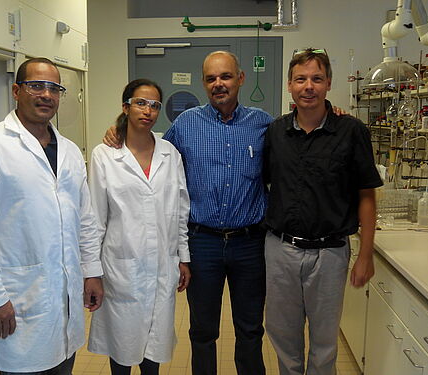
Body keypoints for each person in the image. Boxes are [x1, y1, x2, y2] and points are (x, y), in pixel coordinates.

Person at [105, 51, 272, 375]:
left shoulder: (263, 124)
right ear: (204, 83)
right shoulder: (186, 124)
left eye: (225, 76)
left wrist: (331, 113)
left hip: (249, 243)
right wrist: (119, 130)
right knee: (203, 331)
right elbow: (151, 155)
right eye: (211, 78)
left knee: (250, 329)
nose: (218, 84)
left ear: (240, 79)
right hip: (203, 243)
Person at [0, 57, 104, 375]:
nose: (46, 95)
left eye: (54, 88)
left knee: (64, 364)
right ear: (16, 90)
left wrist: (91, 271)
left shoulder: (70, 151)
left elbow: (85, 219)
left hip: (63, 301)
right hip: (17, 300)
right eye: (36, 85)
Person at [263, 48, 383, 375]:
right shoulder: (275, 133)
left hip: (330, 254)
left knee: (325, 342)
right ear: (289, 85)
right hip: (281, 251)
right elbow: (263, 183)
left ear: (328, 83)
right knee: (283, 335)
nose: (308, 86)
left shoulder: (351, 132)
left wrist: (366, 255)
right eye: (301, 79)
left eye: (317, 78)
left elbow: (366, 195)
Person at [87, 79, 191, 375]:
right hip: (121, 268)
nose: (148, 110)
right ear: (126, 107)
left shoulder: (170, 154)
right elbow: (96, 219)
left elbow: (181, 209)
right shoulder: (105, 155)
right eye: (141, 103)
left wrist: (184, 257)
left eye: (155, 105)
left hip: (162, 264)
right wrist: (92, 271)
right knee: (121, 344)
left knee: (154, 345)